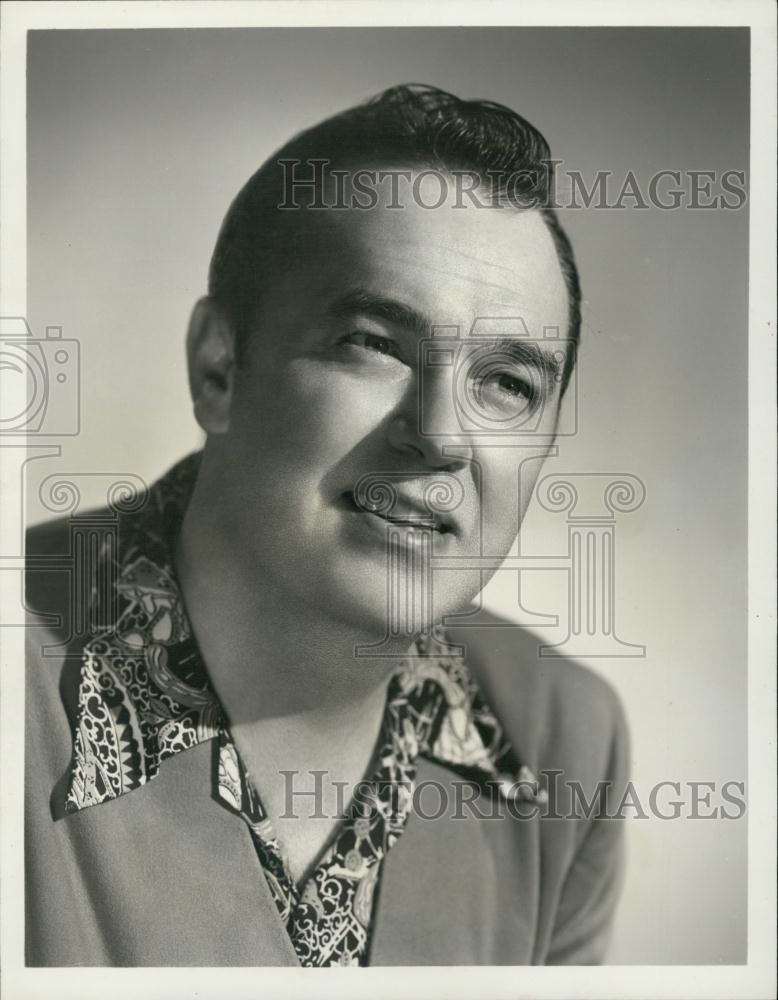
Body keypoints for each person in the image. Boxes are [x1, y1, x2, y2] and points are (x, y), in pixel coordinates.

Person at [25, 84, 629, 967]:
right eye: (375, 343)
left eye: (508, 383)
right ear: (219, 368)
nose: (443, 435)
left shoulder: (565, 741)